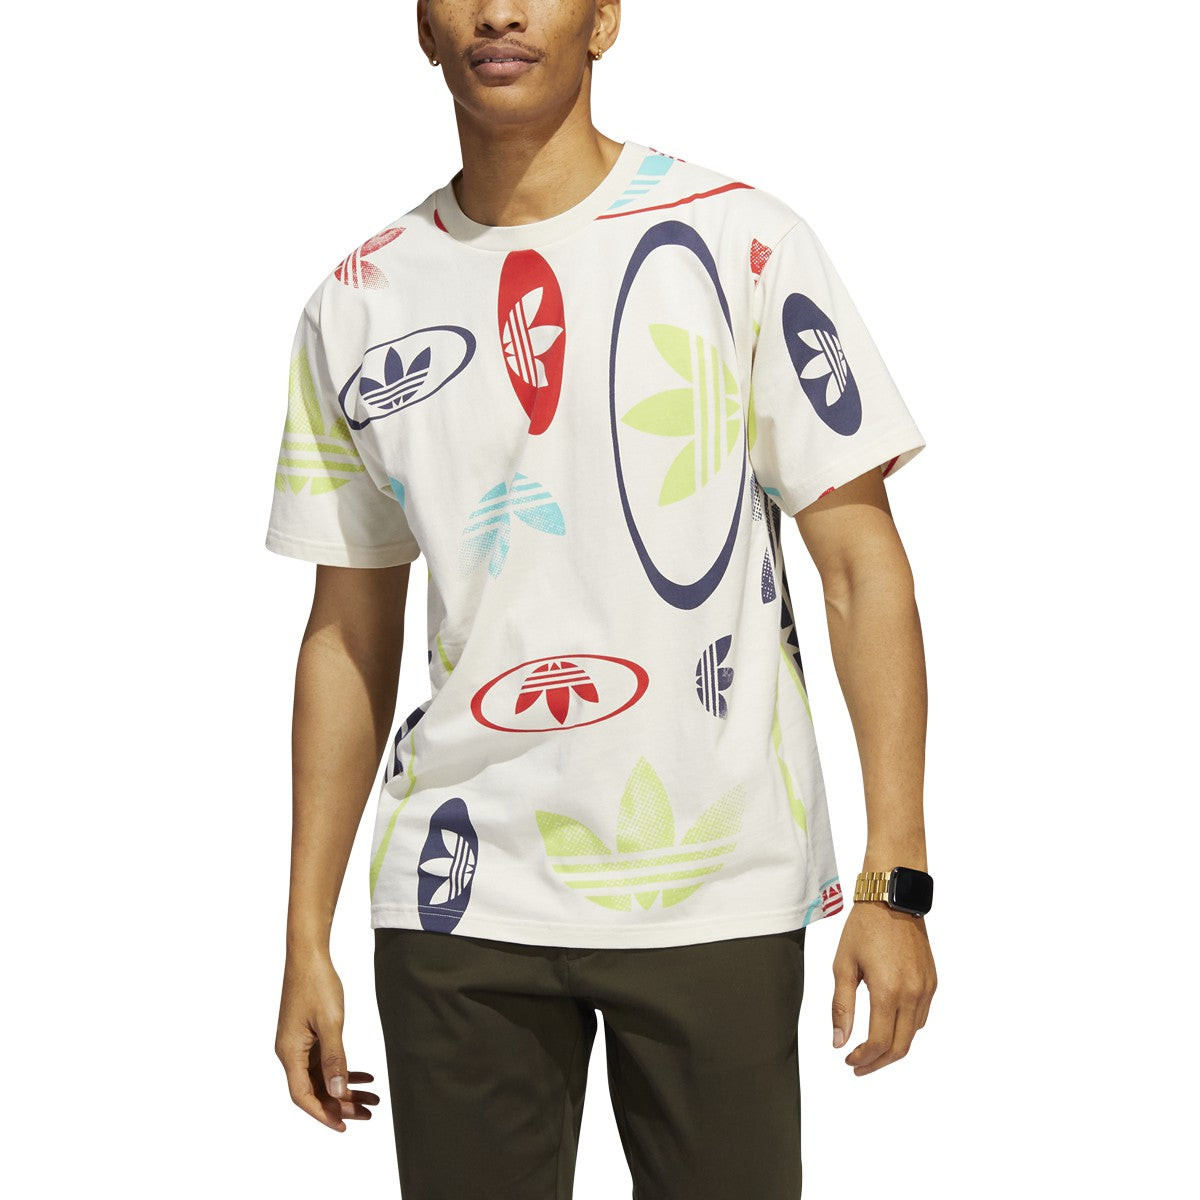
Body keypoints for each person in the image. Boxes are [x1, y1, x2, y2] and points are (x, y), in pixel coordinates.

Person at [267, 2, 938, 1196]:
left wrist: (897, 880)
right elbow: (348, 633)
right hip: (456, 897)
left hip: (713, 888)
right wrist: (303, 937)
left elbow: (859, 566)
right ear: (421, 28)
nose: (500, 11)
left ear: (606, 20)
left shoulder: (742, 242)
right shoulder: (360, 301)